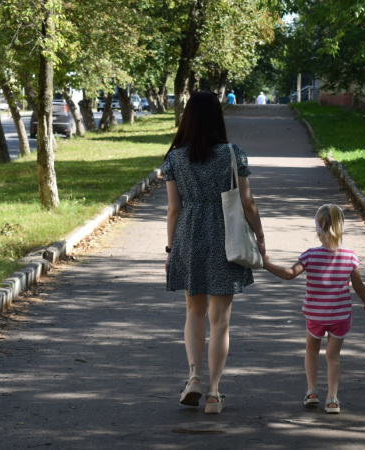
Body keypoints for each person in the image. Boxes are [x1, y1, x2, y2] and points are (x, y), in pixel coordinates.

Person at [162, 91, 266, 414]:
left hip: (189, 237)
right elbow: (247, 202)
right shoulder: (233, 154)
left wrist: (170, 249)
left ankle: (193, 376)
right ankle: (213, 393)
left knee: (194, 312)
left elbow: (173, 210)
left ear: (187, 119)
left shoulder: (175, 157)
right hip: (227, 237)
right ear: (217, 119)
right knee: (220, 319)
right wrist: (259, 234)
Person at [262, 204, 365, 414]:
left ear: (318, 230)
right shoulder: (350, 256)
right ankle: (332, 399)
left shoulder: (310, 255)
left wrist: (266, 264)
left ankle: (312, 391)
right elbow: (359, 285)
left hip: (315, 315)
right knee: (333, 358)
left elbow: (289, 274)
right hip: (340, 316)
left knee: (311, 351)